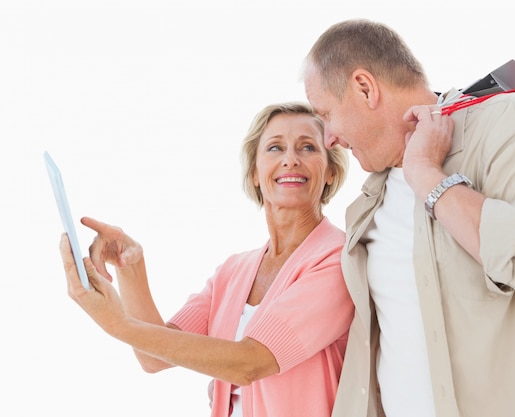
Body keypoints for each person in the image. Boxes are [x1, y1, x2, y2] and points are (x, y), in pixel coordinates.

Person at [302, 19, 515, 417]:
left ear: (365, 87)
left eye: (326, 114)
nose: (328, 138)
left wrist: (429, 178)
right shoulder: (368, 203)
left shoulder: (509, 122)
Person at [59, 102, 354, 417]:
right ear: (255, 172)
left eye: (308, 147)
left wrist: (116, 323)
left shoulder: (337, 260)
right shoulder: (234, 271)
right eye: (275, 148)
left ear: (331, 170)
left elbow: (250, 363)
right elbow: (155, 357)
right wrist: (131, 268)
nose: (290, 160)